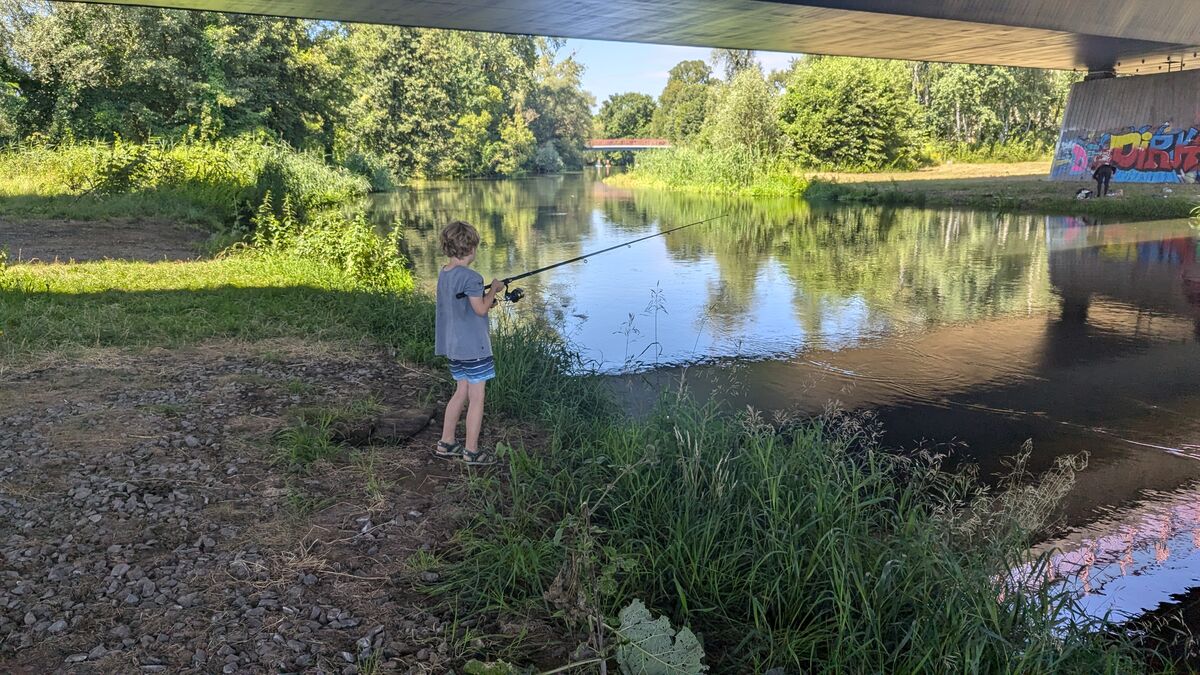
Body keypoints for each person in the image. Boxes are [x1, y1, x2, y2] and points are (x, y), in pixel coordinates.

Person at [434, 220, 504, 466]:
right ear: (471, 248)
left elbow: (465, 306)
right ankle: (471, 451)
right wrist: (494, 290)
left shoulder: (446, 273)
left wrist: (485, 298)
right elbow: (482, 309)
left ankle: (446, 442)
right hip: (474, 348)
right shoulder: (473, 277)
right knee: (476, 397)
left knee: (460, 392)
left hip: (453, 347)